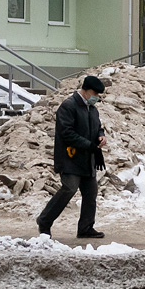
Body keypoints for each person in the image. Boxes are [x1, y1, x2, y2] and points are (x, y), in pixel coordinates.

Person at [36, 75, 107, 240]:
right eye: (95, 93)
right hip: (70, 157)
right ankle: (44, 221)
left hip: (87, 158)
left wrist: (100, 136)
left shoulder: (92, 109)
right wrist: (89, 145)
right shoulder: (69, 106)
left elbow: (98, 127)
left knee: (91, 192)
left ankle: (86, 227)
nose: (97, 97)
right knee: (69, 188)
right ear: (87, 90)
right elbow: (66, 133)